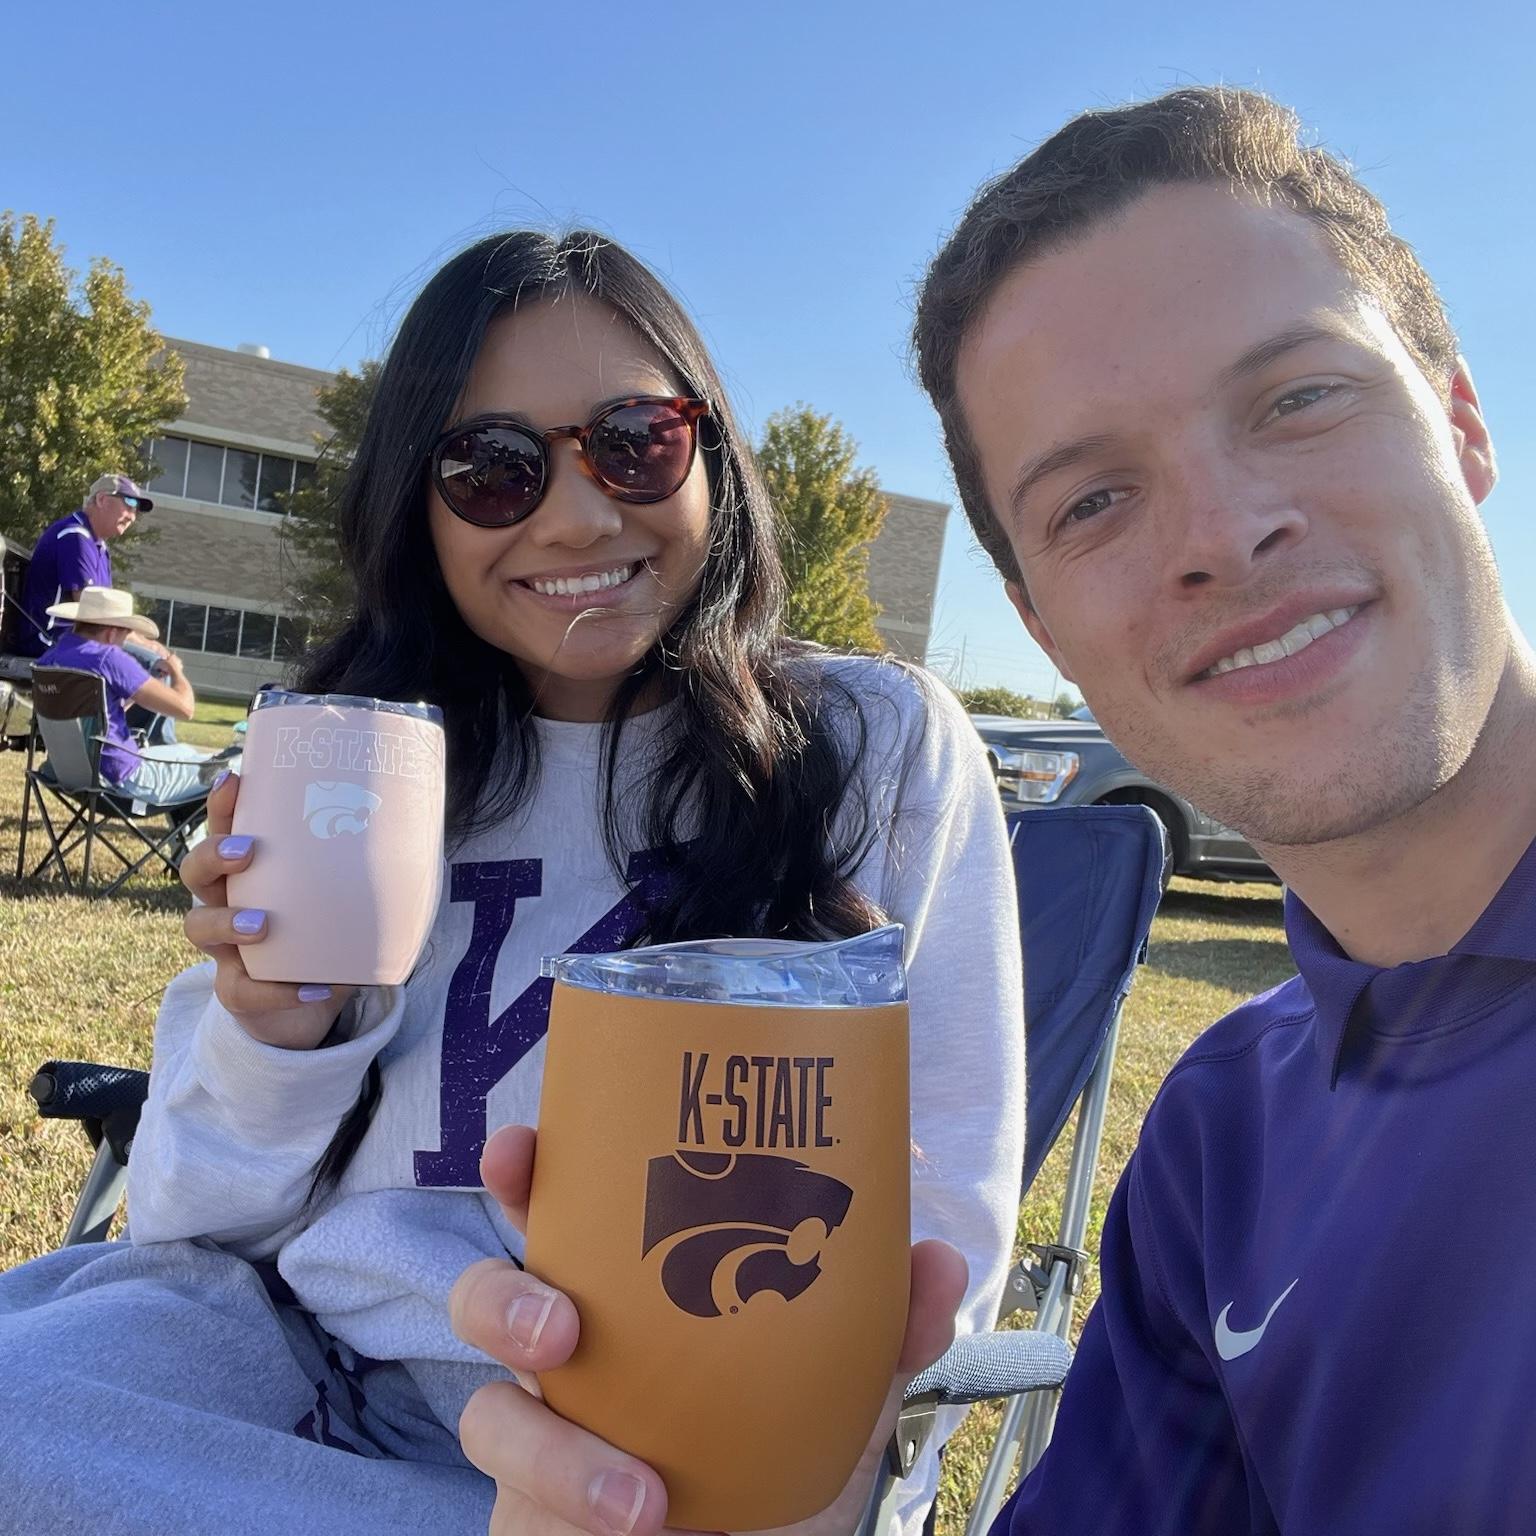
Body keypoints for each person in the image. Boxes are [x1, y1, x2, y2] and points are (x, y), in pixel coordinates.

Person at [0, 231, 1025, 1536]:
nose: (580, 515)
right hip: (292, 1376)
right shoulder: (356, 756)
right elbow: (182, 1228)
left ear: (712, 454)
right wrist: (270, 1033)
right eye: (492, 469)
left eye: (636, 442)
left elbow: (942, 1227)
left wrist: (799, 1473)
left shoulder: (867, 743)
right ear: (416, 507)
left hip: (658, 1451)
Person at [912, 86, 1535, 1533]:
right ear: (1042, 628)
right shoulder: (1220, 1144)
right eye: (1092, 501)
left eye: (1298, 399)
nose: (1224, 533)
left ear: (1461, 424)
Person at [37, 584, 225, 806]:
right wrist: (176, 671)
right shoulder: (108, 658)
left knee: (184, 752)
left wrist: (138, 688)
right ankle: (193, 828)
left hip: (66, 773)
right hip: (122, 781)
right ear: (111, 633)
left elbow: (95, 713)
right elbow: (185, 708)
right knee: (228, 770)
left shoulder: (50, 659)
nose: (124, 643)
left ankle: (188, 830)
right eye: (125, 635)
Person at [16, 473, 153, 657]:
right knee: (150, 661)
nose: (132, 517)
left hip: (75, 641)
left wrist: (146, 645)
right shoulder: (74, 536)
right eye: (129, 503)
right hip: (47, 641)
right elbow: (93, 611)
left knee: (150, 659)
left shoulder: (99, 546)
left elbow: (107, 614)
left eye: (136, 510)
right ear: (102, 499)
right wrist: (147, 647)